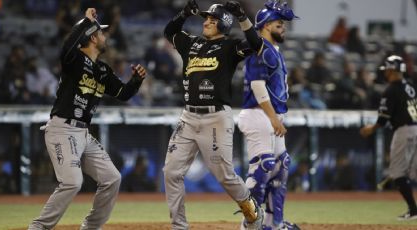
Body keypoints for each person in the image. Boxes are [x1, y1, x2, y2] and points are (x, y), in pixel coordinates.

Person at [28, 8, 146, 230]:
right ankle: (39, 227)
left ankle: (91, 227)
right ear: (92, 37)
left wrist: (135, 81)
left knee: (112, 178)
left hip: (83, 133)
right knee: (72, 182)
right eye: (101, 33)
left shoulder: (102, 69)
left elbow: (123, 93)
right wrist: (86, 22)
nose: (105, 36)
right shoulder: (74, 60)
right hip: (62, 128)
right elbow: (66, 48)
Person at [162, 0, 265, 229]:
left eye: (212, 18)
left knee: (225, 175)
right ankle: (179, 226)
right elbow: (170, 32)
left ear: (224, 23)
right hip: (188, 117)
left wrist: (242, 17)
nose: (207, 21)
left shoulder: (230, 46)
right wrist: (184, 14)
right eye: (206, 18)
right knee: (171, 171)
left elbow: (256, 44)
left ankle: (252, 211)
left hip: (215, 117)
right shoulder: (191, 44)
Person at [237, 1, 301, 229]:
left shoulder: (274, 50)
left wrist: (275, 117)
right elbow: (257, 85)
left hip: (271, 115)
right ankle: (249, 224)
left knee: (281, 166)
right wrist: (273, 117)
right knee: (263, 167)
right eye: (279, 24)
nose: (283, 28)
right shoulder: (260, 48)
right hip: (258, 114)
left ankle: (275, 224)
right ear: (265, 25)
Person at [360, 55, 417, 221]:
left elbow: (383, 119)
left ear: (392, 70)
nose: (385, 73)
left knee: (398, 173)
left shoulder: (391, 89)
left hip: (404, 131)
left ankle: (413, 210)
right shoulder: (410, 86)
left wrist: (371, 129)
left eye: (387, 70)